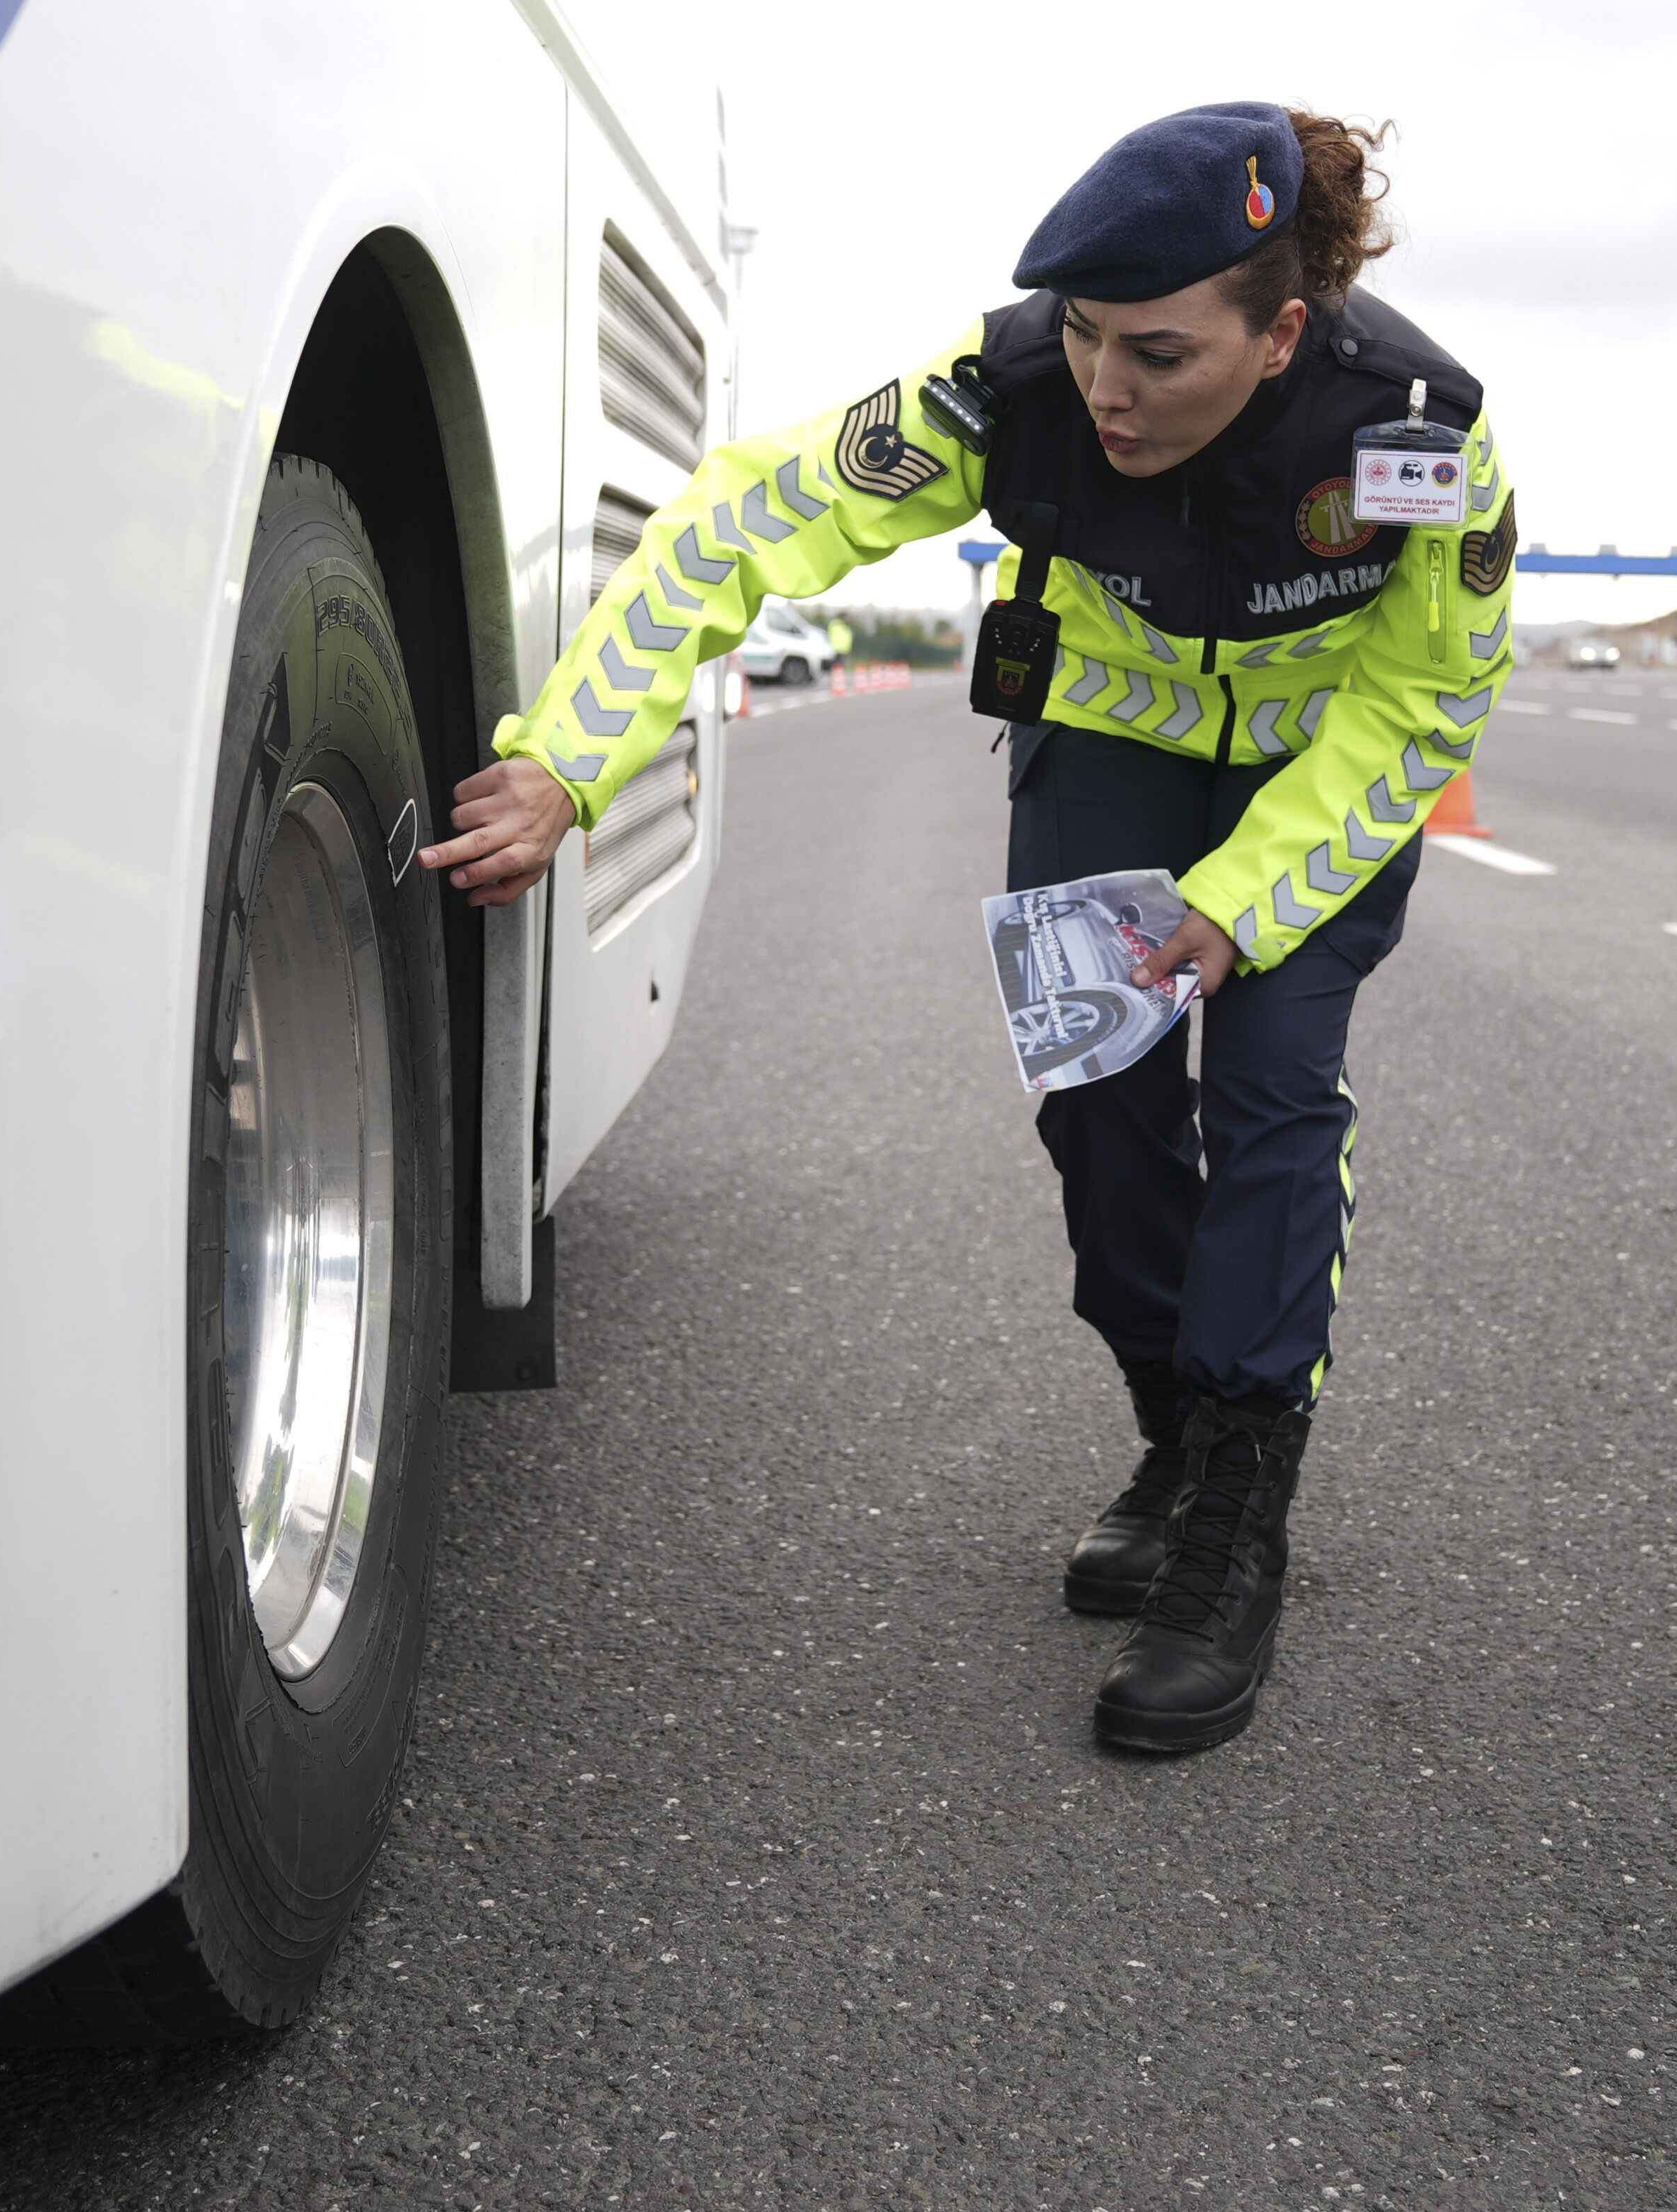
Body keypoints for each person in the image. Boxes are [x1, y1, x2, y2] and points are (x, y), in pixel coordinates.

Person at [426, 104, 1516, 1755]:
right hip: (1108, 741)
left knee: (1276, 1088)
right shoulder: (997, 391)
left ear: (1281, 332)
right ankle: (1172, 1428)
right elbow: (741, 521)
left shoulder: (1414, 433)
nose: (1106, 390)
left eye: (1157, 351)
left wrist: (1239, 903)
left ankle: (1236, 1509)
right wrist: (569, 760)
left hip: (1316, 780)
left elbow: (1431, 691)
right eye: (1084, 339)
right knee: (1100, 1101)